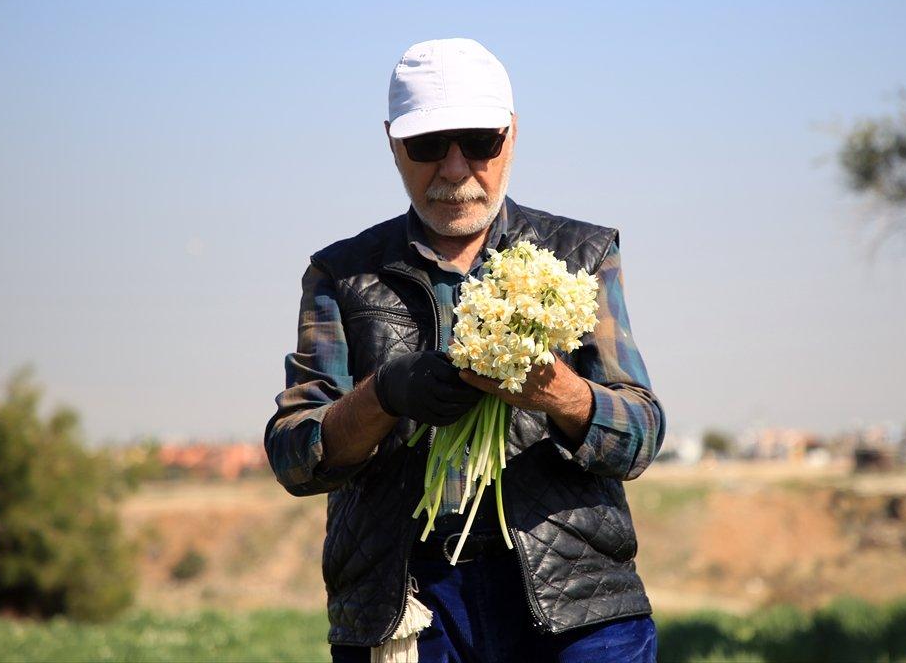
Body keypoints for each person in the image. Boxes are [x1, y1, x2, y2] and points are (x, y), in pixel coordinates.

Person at [264, 38, 665, 663]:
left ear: (511, 134)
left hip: (577, 606)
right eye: (427, 146)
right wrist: (385, 393)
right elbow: (294, 453)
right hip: (406, 609)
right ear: (392, 141)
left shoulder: (582, 256)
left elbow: (640, 434)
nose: (454, 170)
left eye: (479, 142)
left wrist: (557, 392)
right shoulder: (340, 275)